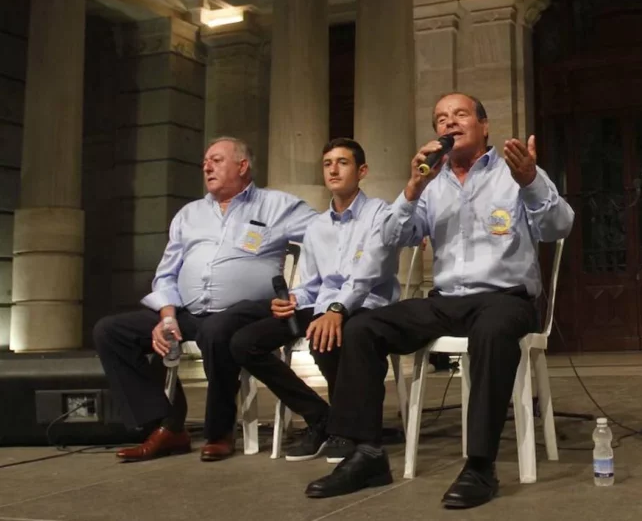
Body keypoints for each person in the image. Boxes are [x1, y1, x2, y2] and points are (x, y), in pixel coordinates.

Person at [305, 92, 574, 509]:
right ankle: (366, 454)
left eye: (460, 115)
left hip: (505, 298)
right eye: (441, 119)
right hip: (447, 301)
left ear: (484, 126)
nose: (449, 124)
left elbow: (559, 227)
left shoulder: (512, 174)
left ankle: (480, 465)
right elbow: (391, 239)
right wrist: (413, 188)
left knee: (492, 327)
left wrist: (531, 181)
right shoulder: (432, 184)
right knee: (361, 327)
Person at [93, 137, 316, 461]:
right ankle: (166, 425)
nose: (206, 166)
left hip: (248, 310)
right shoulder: (189, 215)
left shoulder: (278, 206)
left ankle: (219, 431)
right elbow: (166, 274)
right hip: (189, 312)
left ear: (242, 166)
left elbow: (328, 233)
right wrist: (166, 316)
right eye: (204, 163)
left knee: (217, 331)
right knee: (111, 331)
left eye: (216, 160)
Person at [228, 138, 400, 462]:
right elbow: (312, 285)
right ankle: (320, 416)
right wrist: (292, 299)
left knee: (336, 332)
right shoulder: (317, 227)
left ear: (361, 170)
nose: (333, 169)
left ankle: (348, 431)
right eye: (327, 163)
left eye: (343, 162)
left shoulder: (380, 214)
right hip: (323, 306)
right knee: (244, 342)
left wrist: (336, 309)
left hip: (368, 305)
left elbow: (369, 277)